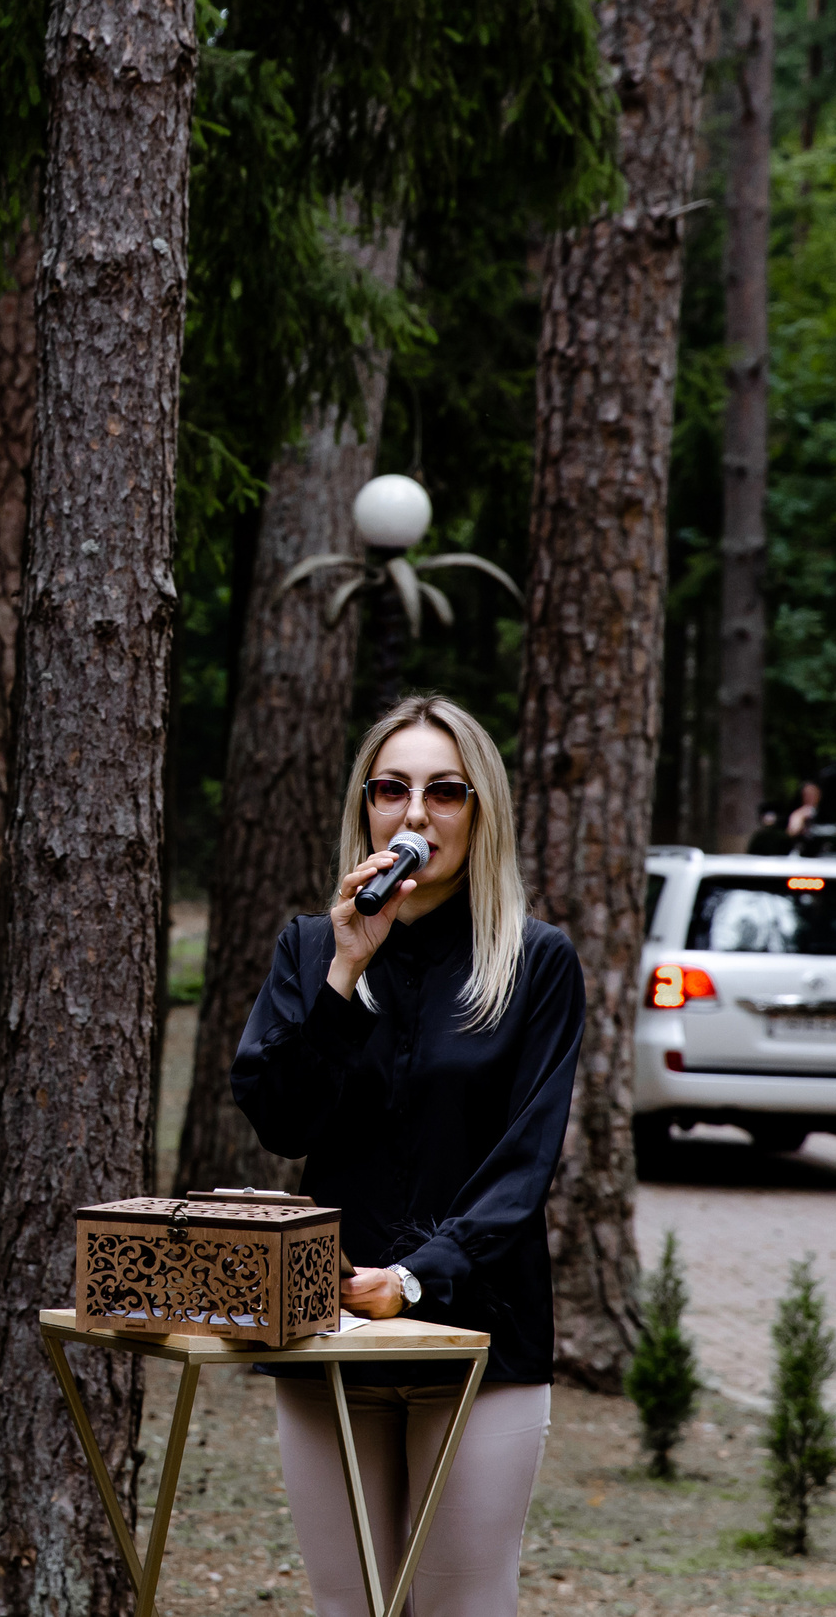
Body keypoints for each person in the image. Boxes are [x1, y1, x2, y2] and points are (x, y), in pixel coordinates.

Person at [231, 693, 583, 1617]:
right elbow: (281, 1119)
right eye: (392, 789)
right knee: (350, 1608)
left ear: (481, 811)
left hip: (479, 1339)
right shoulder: (312, 950)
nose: (416, 814)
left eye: (445, 792)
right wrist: (346, 970)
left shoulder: (534, 961)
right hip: (328, 1335)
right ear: (367, 810)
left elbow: (523, 1164)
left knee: (462, 1607)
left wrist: (416, 1278)